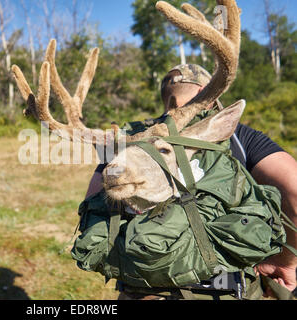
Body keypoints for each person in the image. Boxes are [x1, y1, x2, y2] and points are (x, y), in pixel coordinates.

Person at [85, 64, 297, 300]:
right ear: (206, 92)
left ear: (166, 97)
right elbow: (294, 192)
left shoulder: (131, 138)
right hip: (225, 290)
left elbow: (91, 202)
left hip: (141, 292)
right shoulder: (238, 136)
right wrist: (285, 262)